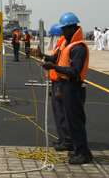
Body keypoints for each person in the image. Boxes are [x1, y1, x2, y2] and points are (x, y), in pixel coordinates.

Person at [41, 12, 92, 164]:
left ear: (72, 28)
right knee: (70, 121)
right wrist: (47, 59)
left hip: (73, 87)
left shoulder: (79, 48)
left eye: (64, 28)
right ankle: (77, 150)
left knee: (75, 122)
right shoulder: (68, 45)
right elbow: (59, 60)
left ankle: (83, 153)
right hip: (66, 86)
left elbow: (74, 71)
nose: (62, 32)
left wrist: (54, 67)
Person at [42, 23, 72, 153]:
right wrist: (42, 55)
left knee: (63, 114)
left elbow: (63, 65)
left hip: (61, 82)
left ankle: (67, 141)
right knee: (58, 113)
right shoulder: (61, 45)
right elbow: (54, 58)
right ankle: (62, 138)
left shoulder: (66, 45)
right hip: (56, 81)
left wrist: (52, 66)